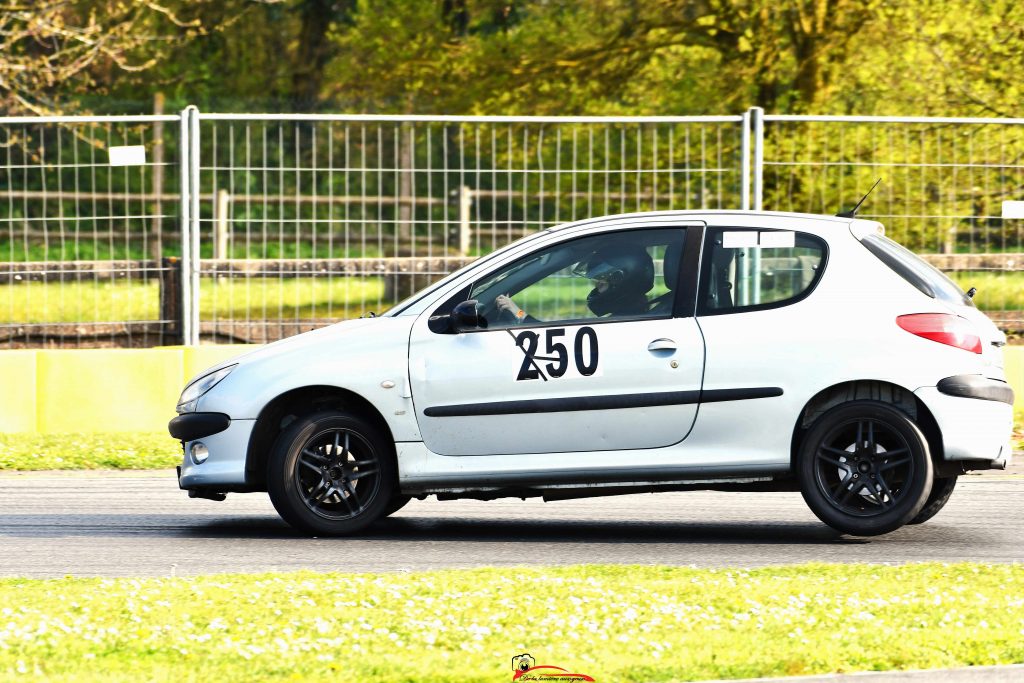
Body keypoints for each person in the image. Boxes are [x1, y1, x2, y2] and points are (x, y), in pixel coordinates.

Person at [495, 244, 655, 322]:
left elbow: (557, 349)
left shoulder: (624, 325)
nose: (596, 289)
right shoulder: (635, 317)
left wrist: (518, 313)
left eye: (600, 284)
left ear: (620, 282)